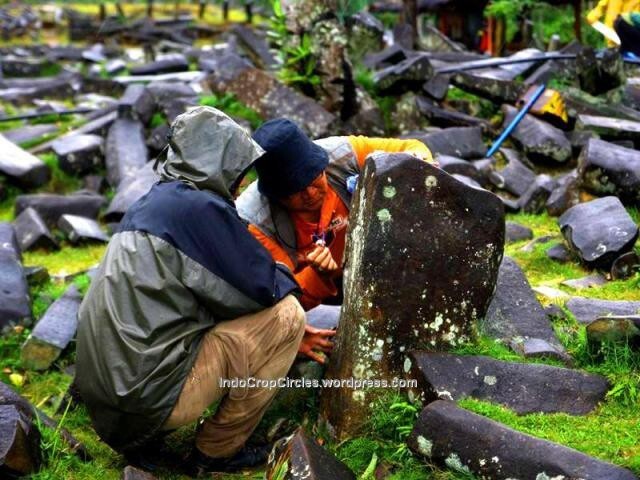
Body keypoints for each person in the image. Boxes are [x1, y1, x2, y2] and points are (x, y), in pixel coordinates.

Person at [74, 107, 305, 476]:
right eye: (237, 170)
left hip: (108, 404)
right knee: (289, 317)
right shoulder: (198, 209)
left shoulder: (151, 203)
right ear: (219, 162)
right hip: (147, 399)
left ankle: (147, 439)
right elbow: (263, 290)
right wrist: (287, 266)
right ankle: (217, 452)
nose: (240, 185)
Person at [236, 119, 434, 364]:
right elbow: (280, 302)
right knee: (344, 328)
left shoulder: (341, 155)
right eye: (294, 191)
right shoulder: (255, 223)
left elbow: (411, 148)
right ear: (275, 195)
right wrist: (320, 275)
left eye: (313, 180)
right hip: (316, 297)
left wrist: (421, 166)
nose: (309, 195)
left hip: (371, 264)